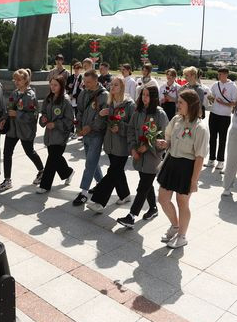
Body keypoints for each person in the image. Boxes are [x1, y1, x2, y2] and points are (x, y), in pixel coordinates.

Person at [155, 89, 208, 249]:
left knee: (182, 202)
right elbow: (169, 138)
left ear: (190, 105)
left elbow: (199, 157)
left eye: (180, 103)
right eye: (177, 102)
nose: (177, 105)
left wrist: (194, 181)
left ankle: (182, 236)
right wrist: (166, 143)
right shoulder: (177, 120)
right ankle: (175, 226)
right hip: (171, 162)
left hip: (187, 166)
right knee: (163, 198)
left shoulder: (200, 128)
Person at [116, 85, 169, 228]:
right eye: (143, 95)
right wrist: (133, 148)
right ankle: (153, 208)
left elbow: (164, 137)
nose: (144, 98)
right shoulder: (138, 112)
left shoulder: (160, 114)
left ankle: (132, 216)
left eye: (147, 95)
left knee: (142, 186)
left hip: (152, 158)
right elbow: (131, 130)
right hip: (138, 156)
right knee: (146, 184)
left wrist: (149, 145)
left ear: (154, 97)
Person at [87, 76, 135, 213]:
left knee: (112, 172)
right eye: (111, 85)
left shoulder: (129, 105)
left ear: (122, 88)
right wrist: (101, 115)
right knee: (117, 171)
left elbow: (133, 127)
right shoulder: (110, 104)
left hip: (122, 147)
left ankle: (98, 201)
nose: (112, 87)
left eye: (116, 85)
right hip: (110, 145)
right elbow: (101, 125)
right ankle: (125, 194)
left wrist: (120, 128)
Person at [0, 69, 44, 192]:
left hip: (25, 130)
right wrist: (4, 118)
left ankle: (42, 171)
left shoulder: (30, 96)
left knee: (30, 152)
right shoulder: (14, 93)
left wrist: (17, 114)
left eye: (19, 79)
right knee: (7, 153)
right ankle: (7, 180)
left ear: (26, 80)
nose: (16, 82)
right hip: (13, 129)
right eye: (15, 79)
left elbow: (33, 116)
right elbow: (9, 109)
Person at [72, 70, 109, 207]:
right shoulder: (83, 93)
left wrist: (91, 127)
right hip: (85, 133)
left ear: (96, 80)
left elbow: (102, 117)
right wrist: (79, 127)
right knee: (92, 162)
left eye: (88, 82)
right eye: (84, 82)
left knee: (90, 163)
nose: (85, 84)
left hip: (97, 134)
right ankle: (102, 184)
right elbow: (80, 111)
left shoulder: (104, 95)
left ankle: (83, 193)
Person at [36, 74, 75, 193]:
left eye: (55, 85)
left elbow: (69, 120)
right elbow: (43, 112)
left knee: (52, 159)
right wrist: (43, 118)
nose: (52, 87)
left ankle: (45, 185)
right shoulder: (49, 98)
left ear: (61, 86)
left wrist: (56, 124)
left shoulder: (65, 100)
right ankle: (68, 172)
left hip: (60, 136)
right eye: (51, 84)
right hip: (49, 135)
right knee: (56, 159)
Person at [207, 67, 237, 171]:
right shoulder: (215, 84)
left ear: (226, 75)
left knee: (222, 139)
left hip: (225, 116)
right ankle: (211, 159)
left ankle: (221, 161)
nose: (218, 76)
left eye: (220, 74)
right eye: (218, 74)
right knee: (212, 138)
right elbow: (211, 97)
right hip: (214, 113)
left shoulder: (233, 86)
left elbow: (235, 102)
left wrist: (223, 103)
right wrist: (210, 98)